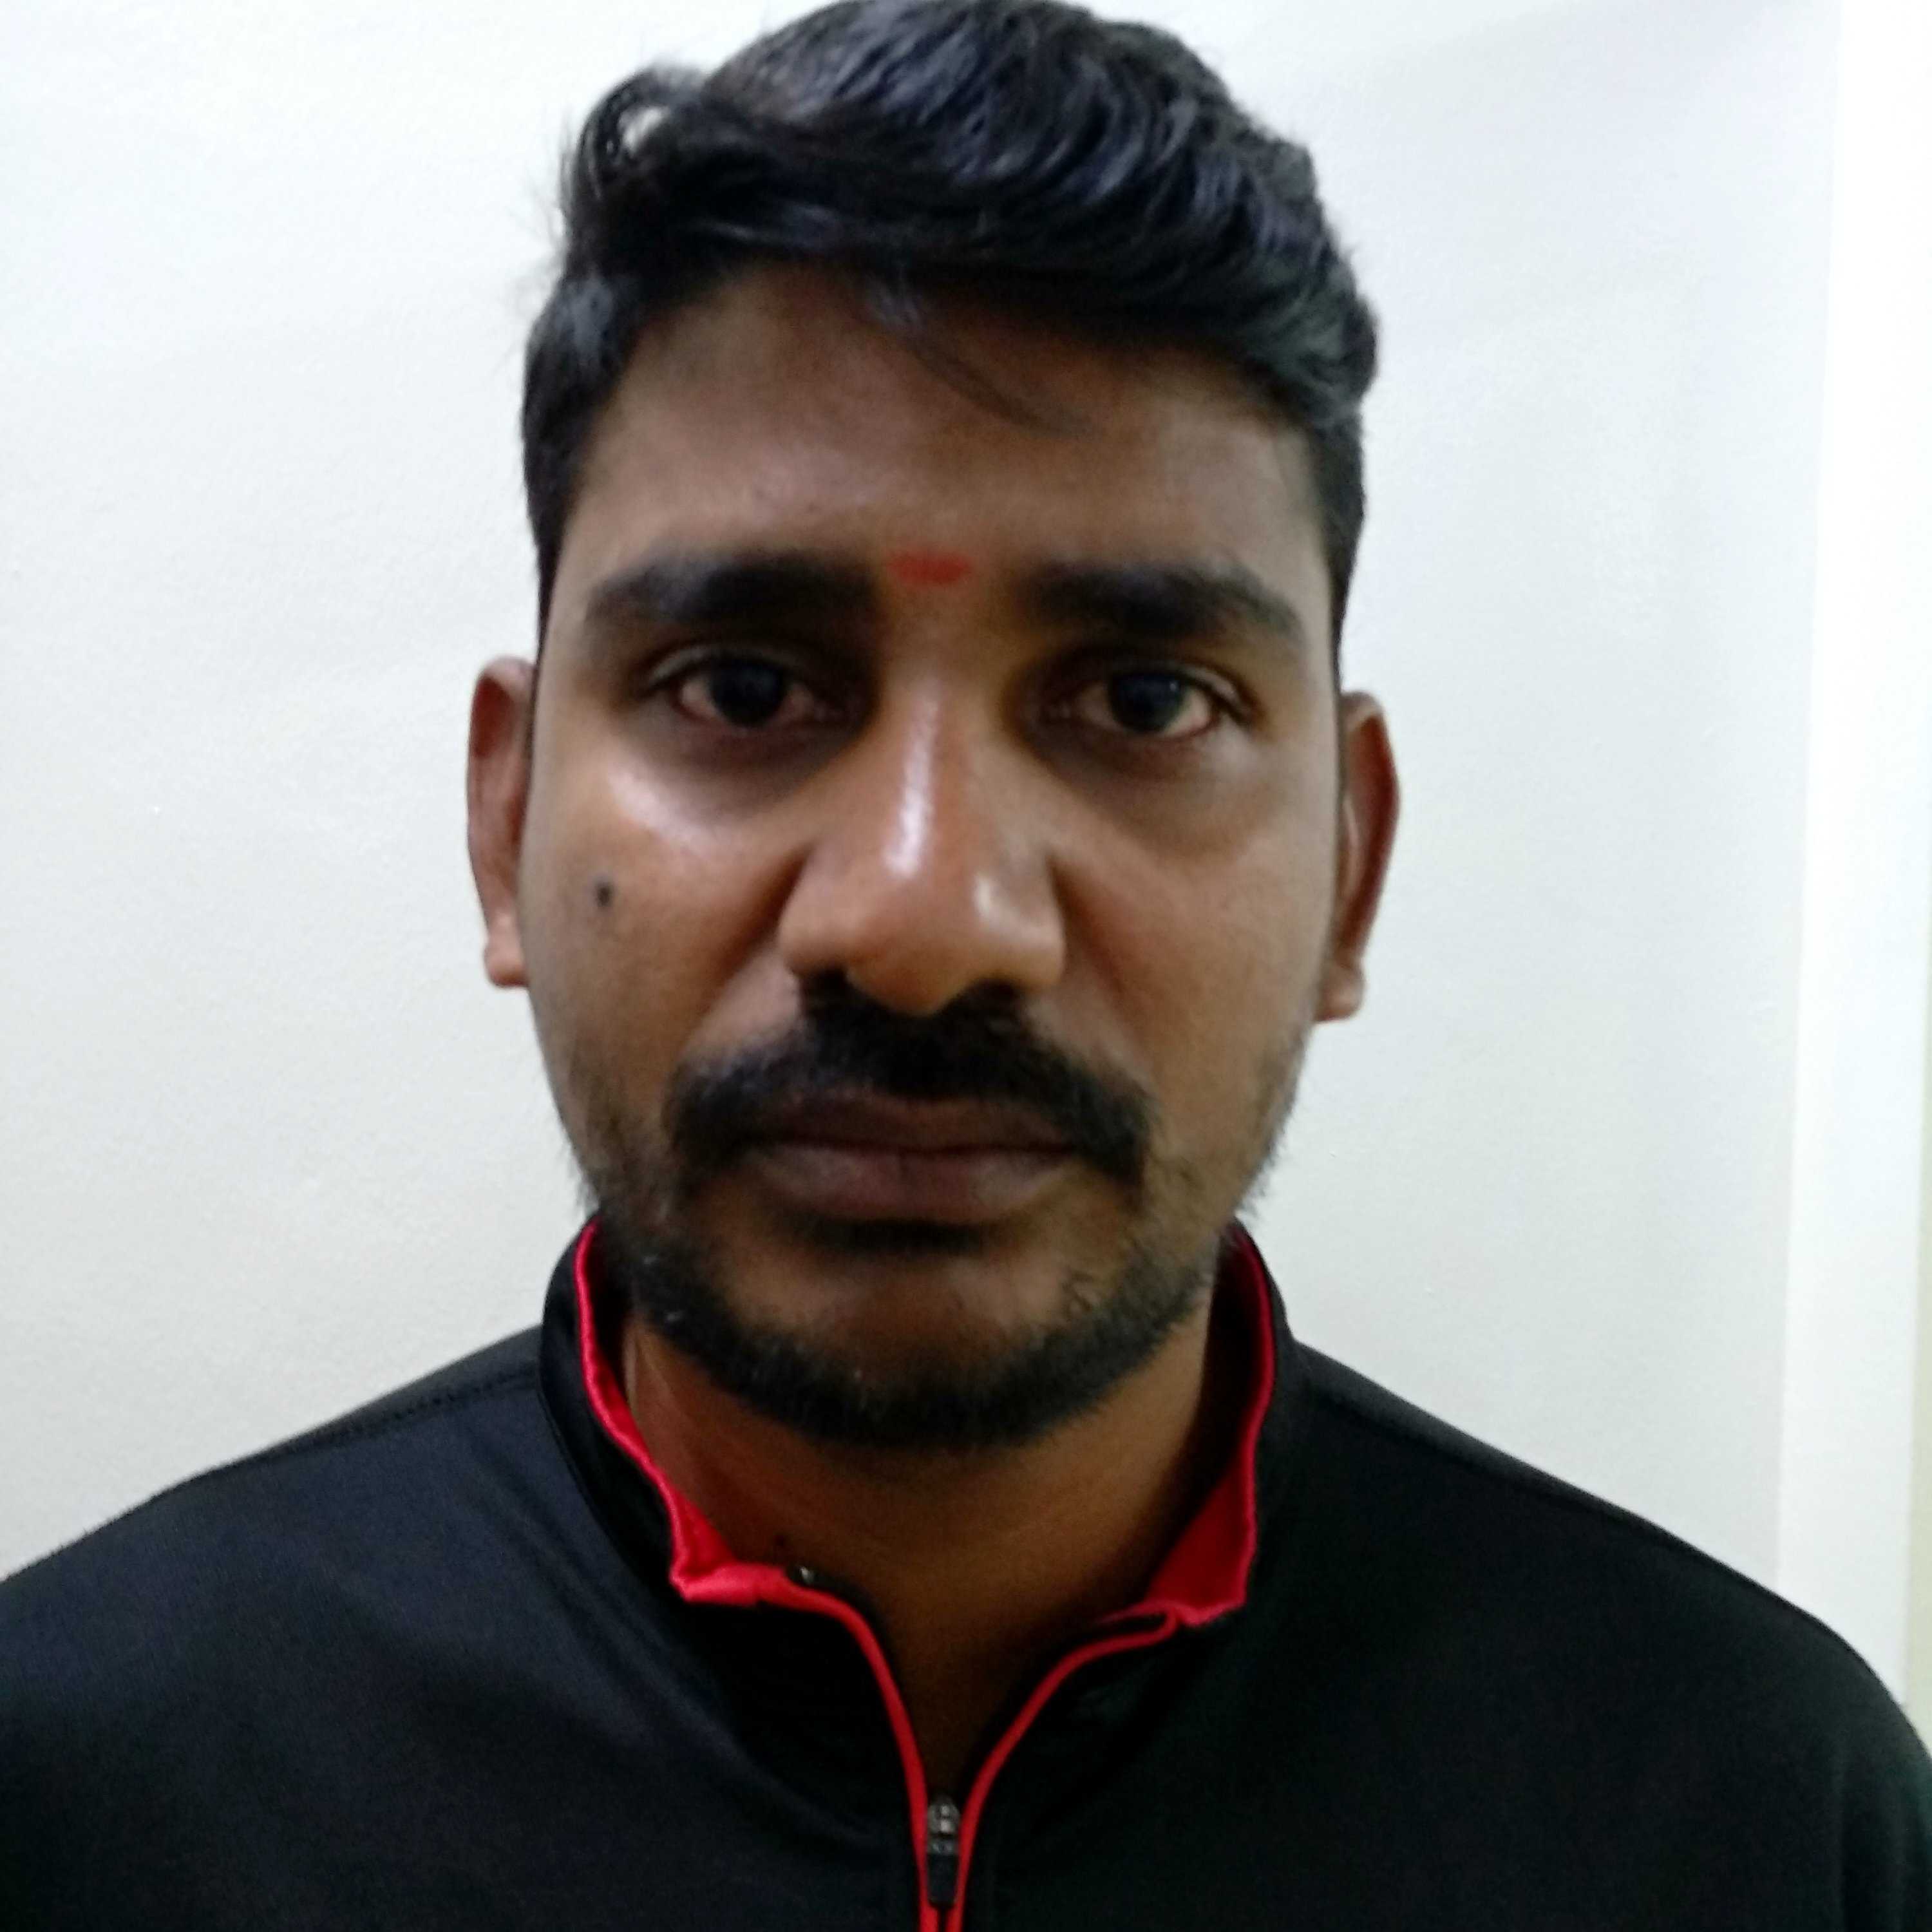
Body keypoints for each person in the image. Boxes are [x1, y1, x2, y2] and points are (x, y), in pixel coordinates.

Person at [3, 0, 1927, 1924]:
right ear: (505, 821)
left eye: (1145, 701)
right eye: (741, 688)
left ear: (1352, 869)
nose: (921, 925)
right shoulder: (86, 1787)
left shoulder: (1751, 1817)